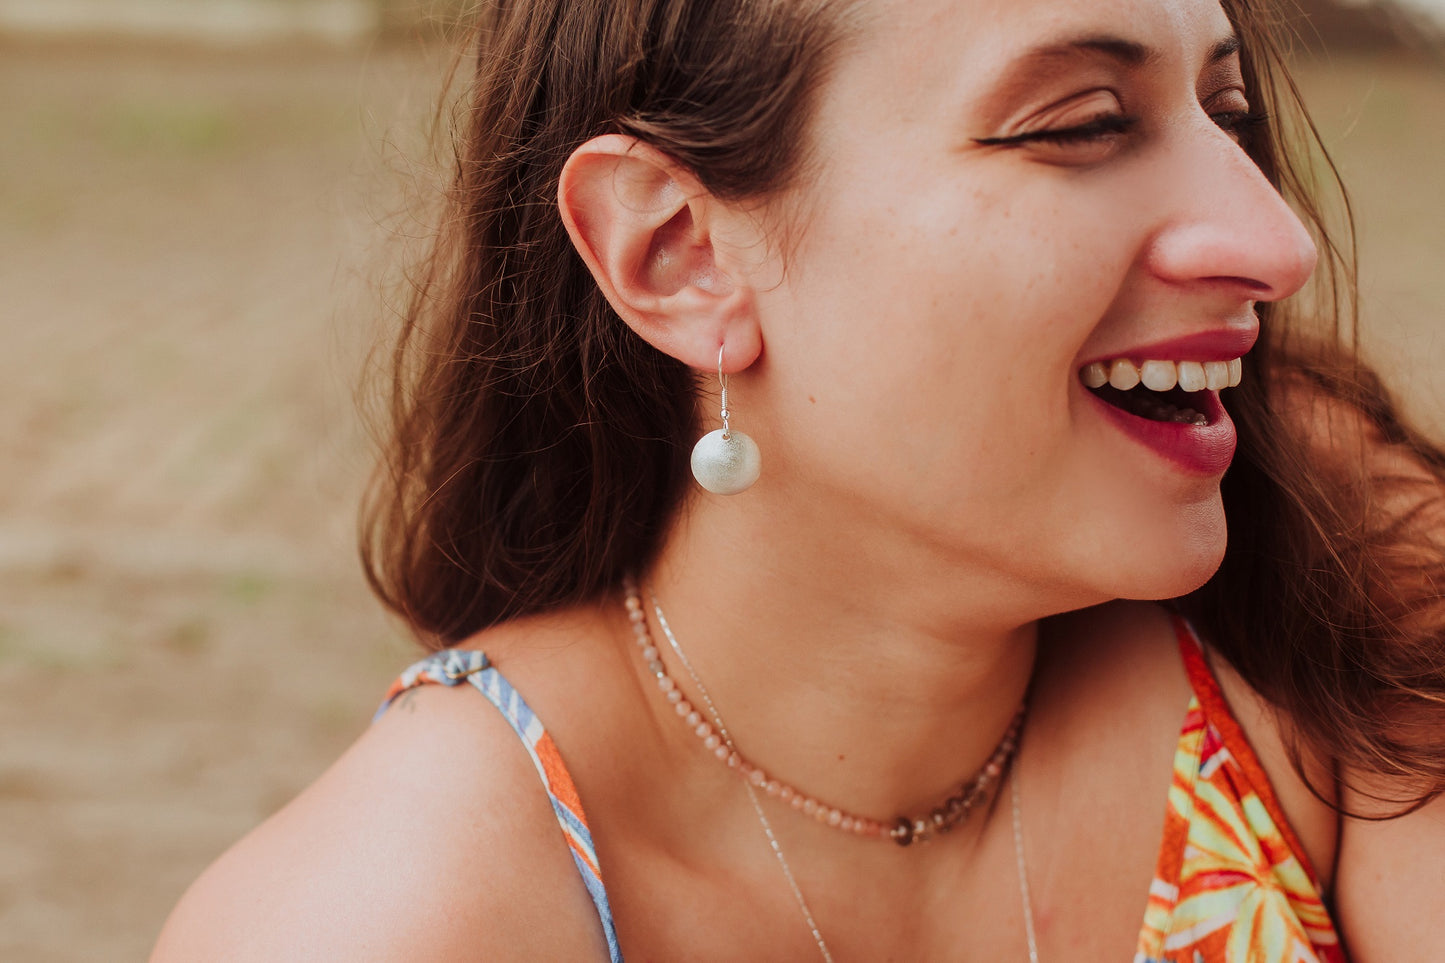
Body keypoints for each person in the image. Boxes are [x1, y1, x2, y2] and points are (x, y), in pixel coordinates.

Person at [152, 0, 1445, 958]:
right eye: (1083, 125)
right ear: (677, 256)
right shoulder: (396, 919)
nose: (1276, 241)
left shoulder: (1322, 582)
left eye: (1223, 113)